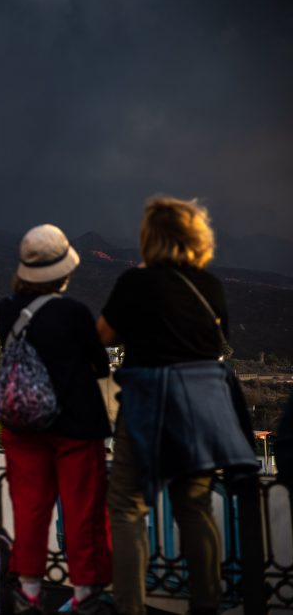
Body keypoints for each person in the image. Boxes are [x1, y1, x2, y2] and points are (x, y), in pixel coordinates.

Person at [97, 196, 257, 615]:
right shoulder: (210, 286)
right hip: (199, 413)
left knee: (128, 509)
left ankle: (129, 607)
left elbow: (103, 334)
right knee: (195, 507)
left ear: (150, 237)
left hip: (146, 408)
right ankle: (207, 606)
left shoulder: (135, 283)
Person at [0, 225, 113, 615]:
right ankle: (85, 596)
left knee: (29, 508)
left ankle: (28, 591)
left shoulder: (5, 310)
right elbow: (99, 363)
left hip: (23, 426)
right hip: (75, 427)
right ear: (64, 271)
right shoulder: (75, 312)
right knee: (82, 510)